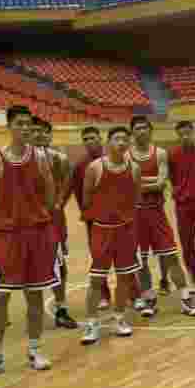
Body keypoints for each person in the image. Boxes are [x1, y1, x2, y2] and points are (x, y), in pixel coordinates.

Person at [0, 105, 59, 380]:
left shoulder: (41, 158)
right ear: (9, 126)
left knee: (35, 295)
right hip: (8, 237)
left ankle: (35, 350)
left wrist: (35, 216)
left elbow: (50, 195)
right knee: (1, 297)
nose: (24, 128)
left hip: (36, 235)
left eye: (27, 124)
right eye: (19, 123)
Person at [127, 116, 195, 318]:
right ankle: (149, 299)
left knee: (171, 256)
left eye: (144, 128)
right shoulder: (127, 155)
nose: (141, 131)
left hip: (156, 212)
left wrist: (137, 183)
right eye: (137, 128)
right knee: (141, 261)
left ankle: (186, 298)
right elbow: (126, 186)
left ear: (150, 130)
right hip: (135, 214)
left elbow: (161, 183)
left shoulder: (160, 153)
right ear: (132, 132)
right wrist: (146, 183)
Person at [79, 126, 143, 345]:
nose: (122, 143)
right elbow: (86, 198)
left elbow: (136, 198)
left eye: (125, 139)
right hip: (102, 230)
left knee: (124, 278)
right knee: (97, 279)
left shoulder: (134, 168)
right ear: (109, 141)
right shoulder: (95, 168)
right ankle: (91, 323)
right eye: (117, 138)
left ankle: (119, 318)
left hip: (125, 230)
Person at [32, 116, 78, 329]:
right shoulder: (20, 159)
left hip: (53, 220)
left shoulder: (59, 159)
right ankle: (34, 309)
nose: (39, 134)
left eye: (43, 131)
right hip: (28, 221)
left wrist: (58, 205)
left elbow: (66, 187)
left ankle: (61, 307)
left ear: (50, 135)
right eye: (35, 130)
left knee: (58, 263)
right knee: (30, 264)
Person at [70, 126, 112, 308]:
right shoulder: (80, 166)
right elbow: (80, 196)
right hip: (94, 221)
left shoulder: (114, 159)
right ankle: (104, 295)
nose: (89, 142)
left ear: (100, 139)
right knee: (98, 258)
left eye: (92, 138)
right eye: (85, 139)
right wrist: (89, 216)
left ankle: (134, 294)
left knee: (125, 256)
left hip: (118, 218)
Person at [167, 120, 195, 294]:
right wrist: (179, 191)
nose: (185, 136)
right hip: (183, 205)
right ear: (177, 134)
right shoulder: (173, 154)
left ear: (193, 131)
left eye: (188, 132)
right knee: (187, 245)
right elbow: (171, 177)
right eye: (181, 133)